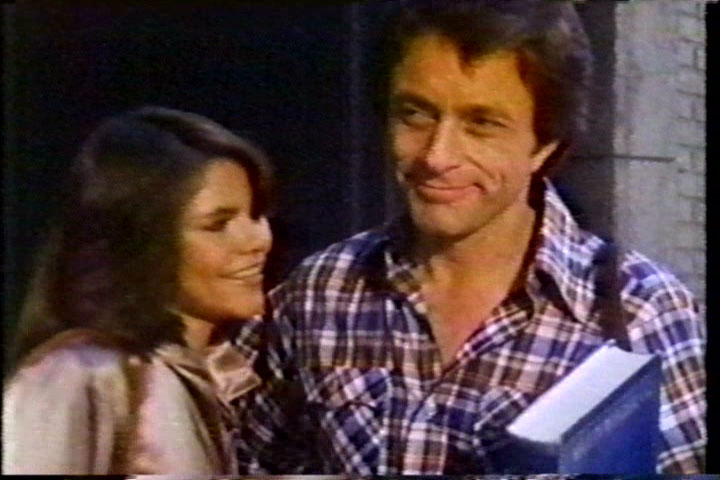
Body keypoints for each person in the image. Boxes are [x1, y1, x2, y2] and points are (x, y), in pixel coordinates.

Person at [234, 0, 706, 475]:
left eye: (481, 124)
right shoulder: (320, 294)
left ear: (544, 146)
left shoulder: (641, 311)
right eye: (415, 114)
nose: (437, 156)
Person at [3, 106, 274, 474]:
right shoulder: (82, 373)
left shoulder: (215, 377)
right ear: (140, 240)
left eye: (256, 214)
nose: (257, 240)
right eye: (218, 224)